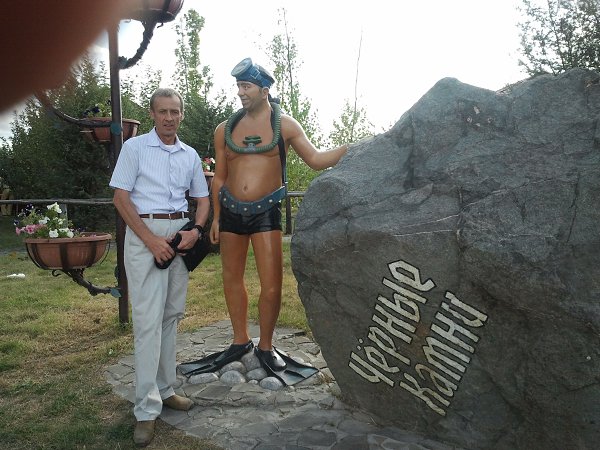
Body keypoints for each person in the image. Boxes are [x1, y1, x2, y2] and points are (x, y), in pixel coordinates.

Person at [209, 58, 349, 372]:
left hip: (265, 212)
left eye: (246, 86)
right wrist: (216, 217)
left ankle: (266, 345)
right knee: (231, 278)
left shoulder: (285, 125)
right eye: (238, 86)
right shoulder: (224, 129)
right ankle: (239, 340)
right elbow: (219, 177)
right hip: (230, 211)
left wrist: (351, 149)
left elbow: (315, 159)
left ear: (264, 90)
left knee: (271, 283)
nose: (240, 92)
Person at [109, 87, 210, 447]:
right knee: (148, 323)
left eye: (175, 111)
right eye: (163, 111)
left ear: (181, 114)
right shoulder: (135, 149)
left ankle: (165, 390)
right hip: (145, 234)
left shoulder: (190, 154)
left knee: (171, 316)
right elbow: (121, 198)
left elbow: (202, 199)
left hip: (179, 237)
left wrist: (196, 231)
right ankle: (145, 410)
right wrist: (150, 240)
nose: (169, 117)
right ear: (152, 114)